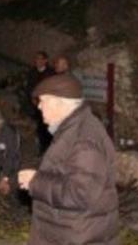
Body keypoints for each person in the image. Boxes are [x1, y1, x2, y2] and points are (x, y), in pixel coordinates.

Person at [18, 74, 119, 244]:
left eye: (44, 101)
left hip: (76, 235)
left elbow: (80, 194)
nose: (40, 107)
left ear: (59, 102)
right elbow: (63, 166)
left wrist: (35, 182)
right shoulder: (73, 129)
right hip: (68, 231)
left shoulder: (85, 140)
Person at [24, 51, 55, 155]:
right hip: (37, 104)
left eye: (41, 59)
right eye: (37, 59)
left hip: (48, 104)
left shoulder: (50, 73)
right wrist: (32, 98)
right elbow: (29, 87)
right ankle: (42, 148)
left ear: (45, 60)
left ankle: (50, 148)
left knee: (49, 127)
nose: (38, 61)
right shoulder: (32, 72)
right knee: (40, 127)